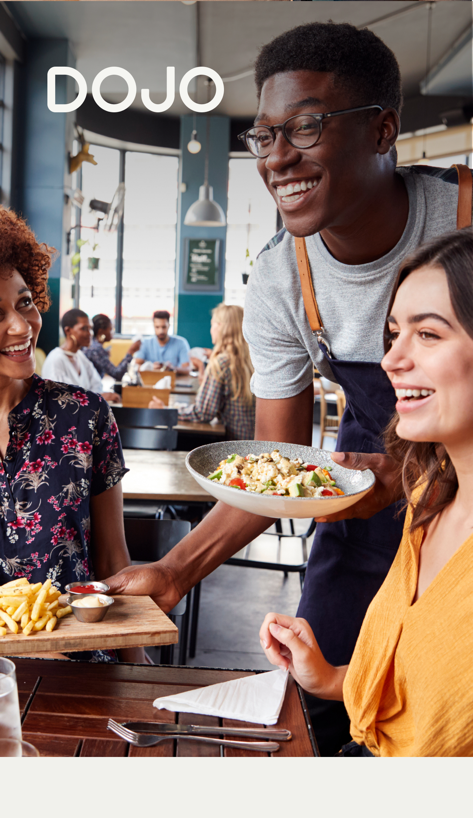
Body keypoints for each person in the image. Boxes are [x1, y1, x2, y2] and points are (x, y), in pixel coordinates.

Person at [104, 21, 472, 753]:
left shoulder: (461, 215)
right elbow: (280, 461)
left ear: (381, 131)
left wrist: (414, 472)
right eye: (263, 135)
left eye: (304, 127)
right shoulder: (280, 276)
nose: (278, 158)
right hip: (361, 494)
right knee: (328, 699)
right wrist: (174, 570)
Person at [260, 228, 473, 757]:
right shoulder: (429, 496)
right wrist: (329, 678)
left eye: (428, 334)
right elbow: (419, 686)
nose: (391, 360)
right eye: (394, 333)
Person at [0, 205, 143, 663]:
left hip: (78, 668)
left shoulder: (85, 415)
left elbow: (112, 559)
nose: (23, 326)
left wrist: (136, 664)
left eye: (24, 301)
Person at [149, 304, 255, 440]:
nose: (211, 330)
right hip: (252, 442)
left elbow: (203, 413)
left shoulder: (221, 362)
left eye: (212, 325)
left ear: (221, 327)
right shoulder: (250, 360)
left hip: (232, 446)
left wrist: (166, 411)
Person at [42, 308, 116, 401]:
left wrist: (97, 397)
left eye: (91, 328)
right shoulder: (56, 359)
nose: (90, 333)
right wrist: (96, 398)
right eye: (84, 328)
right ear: (68, 331)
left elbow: (97, 384)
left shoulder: (79, 356)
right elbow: (60, 398)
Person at [84, 314, 141, 381]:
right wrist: (131, 351)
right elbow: (117, 374)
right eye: (110, 329)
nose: (112, 332)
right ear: (101, 331)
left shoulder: (93, 345)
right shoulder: (96, 349)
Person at [134, 310, 191, 374]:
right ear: (153, 326)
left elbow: (187, 369)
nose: (161, 331)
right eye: (157, 327)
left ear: (169, 326)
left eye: (164, 327)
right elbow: (135, 366)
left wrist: (172, 368)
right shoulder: (145, 343)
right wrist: (150, 367)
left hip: (173, 381)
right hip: (150, 381)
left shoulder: (181, 343)